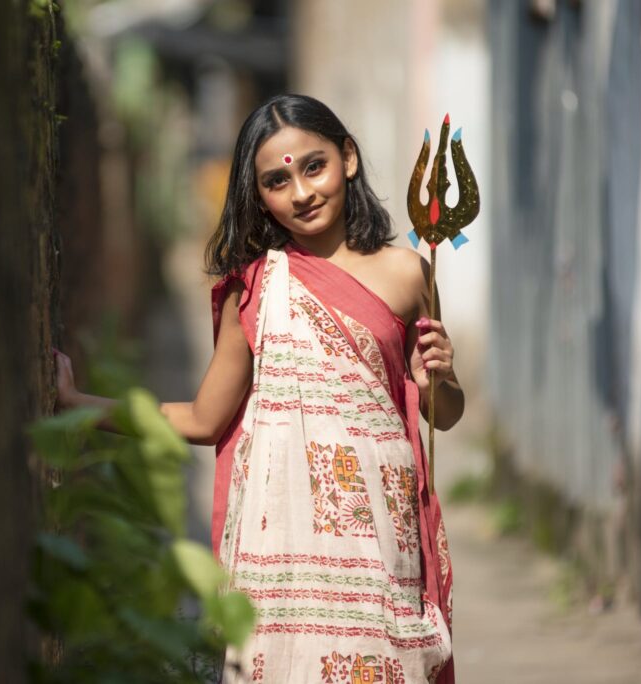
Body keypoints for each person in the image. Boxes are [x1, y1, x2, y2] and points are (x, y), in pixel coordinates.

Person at [54, 94, 463, 683]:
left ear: (347, 157)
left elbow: (442, 415)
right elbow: (202, 419)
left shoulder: (407, 273)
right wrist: (79, 406)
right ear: (259, 195)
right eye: (277, 180)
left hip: (379, 529)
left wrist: (440, 378)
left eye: (313, 166)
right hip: (284, 548)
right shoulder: (256, 288)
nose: (301, 192)